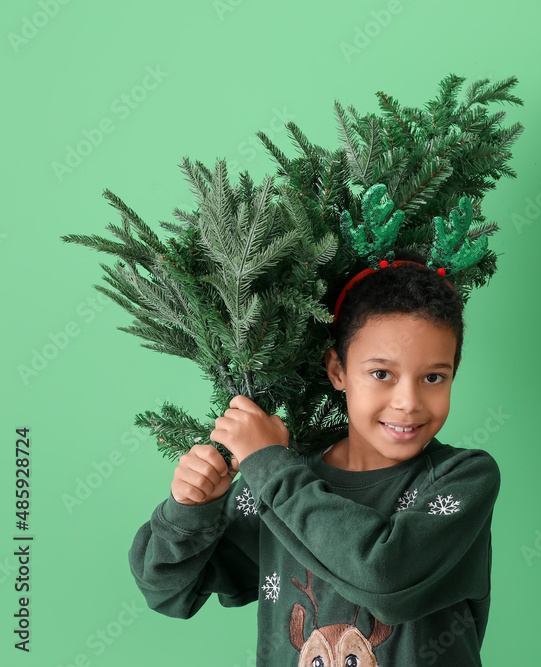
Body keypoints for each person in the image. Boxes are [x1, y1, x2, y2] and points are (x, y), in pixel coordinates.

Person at [127, 248, 502, 666]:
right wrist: (190, 510)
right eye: (382, 374)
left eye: (434, 377)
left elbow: (385, 579)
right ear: (338, 369)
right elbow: (166, 590)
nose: (408, 402)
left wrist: (269, 465)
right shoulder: (280, 479)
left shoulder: (462, 479)